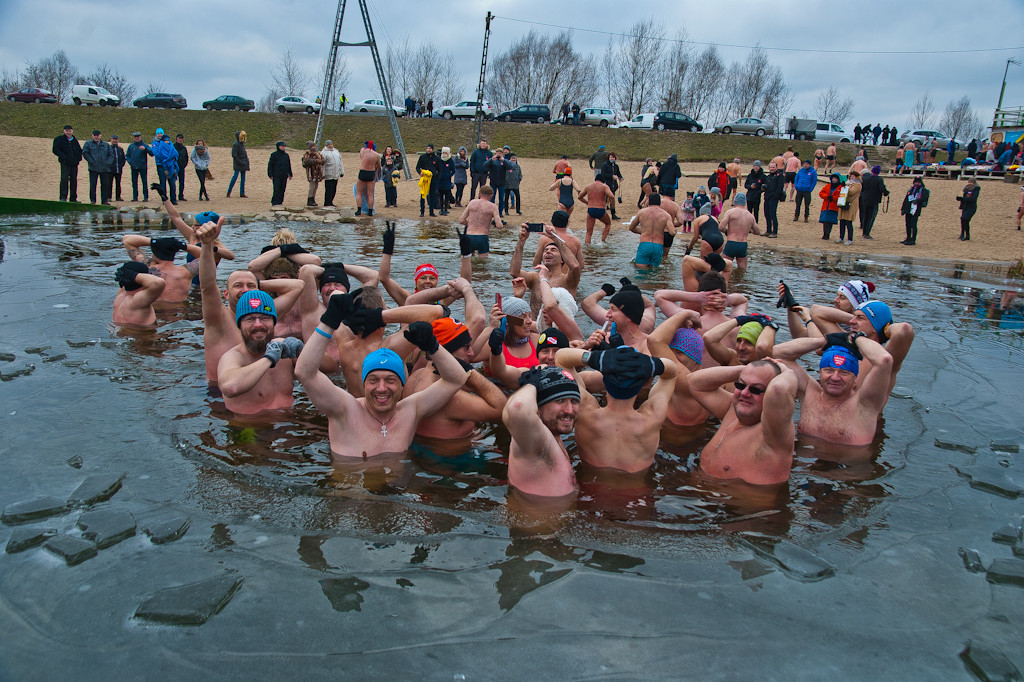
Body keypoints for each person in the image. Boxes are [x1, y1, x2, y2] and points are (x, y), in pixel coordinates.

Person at [295, 299, 468, 456]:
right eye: (373, 380)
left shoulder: (410, 411)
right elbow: (305, 373)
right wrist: (328, 322)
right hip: (348, 490)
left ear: (402, 384)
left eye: (390, 380)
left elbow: (457, 379)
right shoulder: (344, 409)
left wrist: (432, 345)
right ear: (364, 384)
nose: (381, 388)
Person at [555, 346, 677, 473]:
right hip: (638, 490)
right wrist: (652, 364)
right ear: (642, 383)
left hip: (590, 487)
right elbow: (672, 373)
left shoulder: (585, 409)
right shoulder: (653, 415)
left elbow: (561, 358)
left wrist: (595, 358)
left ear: (604, 377)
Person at [688, 359, 798, 485]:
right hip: (697, 498)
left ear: (769, 395)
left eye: (756, 390)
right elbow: (694, 382)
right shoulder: (733, 411)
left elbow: (779, 389)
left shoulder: (775, 434)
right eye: (740, 385)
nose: (745, 393)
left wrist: (787, 371)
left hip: (736, 504)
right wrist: (749, 370)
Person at [404, 318, 507, 440]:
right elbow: (503, 410)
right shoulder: (447, 395)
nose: (471, 353)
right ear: (447, 351)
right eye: (466, 347)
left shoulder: (416, 375)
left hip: (425, 452)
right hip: (454, 457)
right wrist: (469, 371)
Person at [787, 333, 894, 446]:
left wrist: (857, 339)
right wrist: (825, 341)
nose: (835, 377)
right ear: (820, 373)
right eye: (829, 370)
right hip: (808, 460)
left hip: (848, 462)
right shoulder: (808, 392)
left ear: (854, 378)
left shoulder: (864, 404)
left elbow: (884, 360)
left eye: (844, 372)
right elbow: (779, 353)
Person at [217, 290, 304, 415]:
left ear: (274, 322)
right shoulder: (233, 357)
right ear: (239, 325)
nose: (258, 325)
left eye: (264, 318)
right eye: (250, 319)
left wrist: (303, 350)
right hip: (250, 430)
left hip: (288, 425)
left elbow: (330, 367)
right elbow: (231, 387)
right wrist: (269, 358)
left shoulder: (282, 346)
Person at [502, 366, 581, 498]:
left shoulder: (553, 432)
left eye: (574, 401)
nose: (569, 410)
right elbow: (517, 407)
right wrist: (531, 385)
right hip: (537, 517)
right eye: (560, 400)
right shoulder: (534, 442)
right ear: (538, 407)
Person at [112, 261, 165, 327]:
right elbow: (159, 282)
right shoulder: (138, 300)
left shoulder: (121, 294)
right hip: (142, 335)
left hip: (118, 330)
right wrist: (131, 275)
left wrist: (126, 274)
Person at [628, 193, 673, 268]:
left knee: (640, 272)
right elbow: (672, 232)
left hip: (645, 244)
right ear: (659, 202)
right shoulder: (666, 215)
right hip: (658, 246)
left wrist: (641, 232)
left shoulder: (642, 212)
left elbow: (631, 227)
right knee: (654, 271)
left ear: (649, 201)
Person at [456, 185, 503, 257]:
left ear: (479, 194)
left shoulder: (472, 203)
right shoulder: (493, 206)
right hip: (482, 237)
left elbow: (461, 220)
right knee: (482, 264)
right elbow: (499, 226)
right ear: (491, 196)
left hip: (469, 236)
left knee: (467, 262)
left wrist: (471, 223)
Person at [718, 194, 760, 268]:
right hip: (743, 244)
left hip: (731, 242)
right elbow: (757, 232)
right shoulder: (750, 215)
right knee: (742, 270)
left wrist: (726, 231)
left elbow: (720, 227)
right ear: (744, 202)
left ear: (735, 201)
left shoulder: (730, 212)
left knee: (724, 268)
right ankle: (740, 280)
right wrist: (749, 231)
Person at [579, 174, 616, 244]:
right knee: (608, 224)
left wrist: (588, 203)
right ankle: (603, 241)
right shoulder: (604, 186)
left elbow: (579, 197)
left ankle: (587, 248)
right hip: (600, 209)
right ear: (603, 180)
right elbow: (612, 196)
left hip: (591, 210)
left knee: (589, 233)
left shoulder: (588, 186)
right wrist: (611, 206)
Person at [82, 130, 114, 205]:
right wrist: (92, 162)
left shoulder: (106, 145)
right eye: (94, 135)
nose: (96, 137)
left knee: (105, 185)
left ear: (100, 136)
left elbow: (111, 155)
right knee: (93, 185)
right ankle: (93, 200)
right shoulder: (88, 143)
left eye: (97, 135)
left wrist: (107, 163)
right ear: (92, 136)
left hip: (105, 169)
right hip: (93, 168)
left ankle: (104, 201)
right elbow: (85, 153)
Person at [53, 124, 82, 202]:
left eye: (70, 131)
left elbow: (79, 150)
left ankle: (73, 198)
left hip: (74, 164)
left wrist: (78, 159)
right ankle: (63, 197)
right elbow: (55, 150)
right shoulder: (59, 139)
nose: (68, 132)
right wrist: (64, 157)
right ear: (64, 131)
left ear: (72, 131)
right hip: (65, 163)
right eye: (67, 131)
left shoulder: (74, 140)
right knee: (64, 179)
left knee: (74, 180)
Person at [859, 166, 889, 239]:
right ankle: (867, 233)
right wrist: (886, 192)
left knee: (866, 216)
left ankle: (864, 232)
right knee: (871, 217)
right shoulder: (879, 179)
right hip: (874, 200)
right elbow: (882, 189)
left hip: (865, 199)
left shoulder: (865, 178)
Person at [355, 140, 381, 216]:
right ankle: (370, 211)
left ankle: (359, 210)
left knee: (359, 192)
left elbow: (361, 156)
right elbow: (379, 166)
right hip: (371, 173)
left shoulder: (363, 151)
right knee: (370, 194)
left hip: (363, 171)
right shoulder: (376, 155)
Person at [900, 177, 929, 245]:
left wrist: (917, 201)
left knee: (913, 224)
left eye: (918, 182)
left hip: (916, 209)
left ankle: (913, 239)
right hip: (908, 209)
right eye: (916, 182)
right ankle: (908, 238)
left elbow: (925, 198)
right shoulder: (911, 189)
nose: (917, 183)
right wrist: (903, 209)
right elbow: (906, 199)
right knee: (908, 224)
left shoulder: (923, 190)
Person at [837, 169, 862, 245]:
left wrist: (845, 187)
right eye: (851, 176)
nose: (851, 177)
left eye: (853, 176)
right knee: (842, 221)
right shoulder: (848, 183)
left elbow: (851, 193)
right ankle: (841, 237)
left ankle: (850, 239)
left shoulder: (857, 185)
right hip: (843, 203)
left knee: (848, 222)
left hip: (851, 204)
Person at [124, 132, 152, 203]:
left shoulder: (144, 145)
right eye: (135, 137)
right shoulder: (131, 146)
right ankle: (135, 197)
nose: (136, 138)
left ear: (140, 137)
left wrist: (145, 149)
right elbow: (127, 155)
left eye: (138, 136)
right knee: (134, 182)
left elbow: (152, 153)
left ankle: (145, 197)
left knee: (144, 182)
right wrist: (130, 162)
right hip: (134, 167)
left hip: (143, 167)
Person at [416, 143, 442, 217]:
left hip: (433, 179)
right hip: (424, 179)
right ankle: (422, 212)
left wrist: (438, 178)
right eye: (427, 148)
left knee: (432, 195)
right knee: (423, 195)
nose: (428, 150)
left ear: (432, 149)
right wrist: (420, 172)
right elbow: (417, 167)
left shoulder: (436, 158)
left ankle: (431, 212)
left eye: (430, 148)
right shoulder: (422, 157)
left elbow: (440, 169)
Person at [152, 132, 179, 205]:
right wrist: (168, 159)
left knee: (172, 183)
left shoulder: (171, 145)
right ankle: (164, 200)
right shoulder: (159, 145)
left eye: (168, 140)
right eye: (165, 140)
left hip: (171, 166)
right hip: (162, 166)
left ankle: (173, 199)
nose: (167, 142)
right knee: (163, 183)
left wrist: (169, 159)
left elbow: (176, 154)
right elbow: (158, 154)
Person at [484, 149, 509, 217]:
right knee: (492, 198)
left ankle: (500, 213)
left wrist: (504, 160)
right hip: (493, 182)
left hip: (502, 183)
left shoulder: (504, 161)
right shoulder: (492, 161)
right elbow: (485, 165)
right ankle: (491, 213)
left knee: (501, 199)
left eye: (500, 153)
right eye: (497, 153)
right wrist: (491, 160)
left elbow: (510, 167)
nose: (498, 154)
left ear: (502, 154)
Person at [763, 160, 785, 238]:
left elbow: (780, 187)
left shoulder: (779, 176)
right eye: (771, 167)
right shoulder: (768, 176)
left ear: (776, 167)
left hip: (773, 198)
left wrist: (776, 196)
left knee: (773, 214)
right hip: (767, 197)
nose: (772, 168)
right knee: (767, 214)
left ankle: (774, 232)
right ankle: (768, 230)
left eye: (773, 167)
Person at [267, 141, 292, 207]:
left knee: (283, 189)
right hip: (276, 175)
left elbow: (288, 165)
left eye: (284, 146)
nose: (284, 148)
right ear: (278, 147)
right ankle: (274, 202)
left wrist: (290, 173)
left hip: (284, 175)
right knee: (277, 189)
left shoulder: (286, 155)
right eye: (282, 146)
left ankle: (280, 202)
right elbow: (270, 165)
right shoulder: (274, 155)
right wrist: (270, 174)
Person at [818, 173, 842, 241]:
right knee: (825, 220)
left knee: (830, 221)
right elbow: (821, 193)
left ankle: (828, 234)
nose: (834, 180)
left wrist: (833, 198)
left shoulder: (840, 187)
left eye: (835, 178)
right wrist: (827, 196)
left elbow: (841, 196)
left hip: (833, 206)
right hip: (826, 206)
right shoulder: (827, 186)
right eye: (833, 178)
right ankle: (825, 234)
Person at [600, 152, 623, 219]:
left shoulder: (616, 166)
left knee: (612, 199)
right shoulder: (604, 165)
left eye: (613, 157)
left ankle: (613, 214)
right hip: (606, 185)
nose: (612, 158)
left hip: (613, 185)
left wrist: (620, 177)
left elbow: (618, 173)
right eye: (611, 157)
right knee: (604, 199)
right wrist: (611, 176)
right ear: (608, 158)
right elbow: (603, 175)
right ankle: (602, 214)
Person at [792, 158, 816, 223]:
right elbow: (796, 178)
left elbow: (814, 181)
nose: (805, 165)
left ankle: (806, 216)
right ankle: (796, 216)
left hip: (807, 190)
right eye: (804, 164)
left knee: (807, 204)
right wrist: (796, 186)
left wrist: (810, 189)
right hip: (799, 189)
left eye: (807, 164)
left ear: (810, 165)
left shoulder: (813, 172)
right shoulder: (801, 171)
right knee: (798, 204)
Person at [301, 141, 324, 208]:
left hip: (317, 172)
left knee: (315, 187)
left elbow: (323, 160)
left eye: (315, 146)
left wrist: (321, 161)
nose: (314, 147)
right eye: (313, 146)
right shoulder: (307, 153)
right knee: (312, 187)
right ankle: (310, 199)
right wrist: (316, 161)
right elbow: (306, 161)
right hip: (311, 172)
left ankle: (313, 199)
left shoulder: (318, 154)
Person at [227, 130, 249, 198]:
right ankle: (229, 191)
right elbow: (234, 155)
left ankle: (242, 192)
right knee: (235, 177)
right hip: (238, 163)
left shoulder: (241, 144)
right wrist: (240, 162)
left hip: (243, 163)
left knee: (243, 178)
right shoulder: (236, 144)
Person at [437, 147, 455, 215]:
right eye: (443, 152)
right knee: (441, 196)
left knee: (447, 196)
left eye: (446, 153)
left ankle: (446, 209)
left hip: (447, 181)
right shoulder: (439, 160)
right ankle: (441, 209)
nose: (444, 154)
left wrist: (449, 175)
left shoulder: (450, 161)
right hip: (440, 181)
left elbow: (453, 170)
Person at [109, 135, 126, 202]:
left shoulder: (120, 149)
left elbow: (123, 159)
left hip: (118, 169)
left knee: (118, 184)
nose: (115, 140)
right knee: (109, 184)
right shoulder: (109, 148)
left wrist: (121, 165)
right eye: (113, 139)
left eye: (116, 139)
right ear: (111, 140)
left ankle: (118, 197)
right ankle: (108, 197)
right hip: (110, 169)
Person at [173, 134, 189, 202]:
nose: (180, 139)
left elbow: (186, 157)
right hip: (174, 167)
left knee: (182, 182)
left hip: (182, 167)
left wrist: (184, 164)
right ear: (176, 138)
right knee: (173, 182)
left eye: (181, 138)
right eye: (179, 138)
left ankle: (181, 195)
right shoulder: (173, 147)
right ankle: (173, 196)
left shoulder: (184, 148)